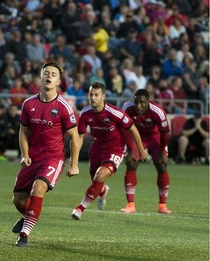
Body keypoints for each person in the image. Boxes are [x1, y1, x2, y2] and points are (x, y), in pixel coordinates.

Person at [12, 61, 80, 247]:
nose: (49, 76)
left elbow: (75, 136)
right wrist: (25, 154)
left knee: (38, 188)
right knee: (18, 200)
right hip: (33, 157)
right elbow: (23, 131)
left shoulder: (64, 107)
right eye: (46, 73)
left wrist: (74, 163)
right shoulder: (28, 104)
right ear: (40, 77)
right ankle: (28, 217)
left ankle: (24, 235)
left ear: (58, 81)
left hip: (53, 158)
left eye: (53, 74)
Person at [71, 81, 147, 220]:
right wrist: (74, 162)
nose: (93, 98)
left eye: (96, 95)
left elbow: (133, 128)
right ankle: (103, 190)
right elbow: (79, 136)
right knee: (96, 180)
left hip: (115, 149)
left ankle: (80, 208)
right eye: (91, 95)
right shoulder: (85, 113)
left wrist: (140, 150)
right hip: (96, 148)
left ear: (103, 96)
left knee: (99, 176)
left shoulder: (114, 113)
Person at [121, 89, 171, 214]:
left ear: (148, 101)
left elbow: (164, 133)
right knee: (131, 164)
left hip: (155, 137)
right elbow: (125, 130)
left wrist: (161, 153)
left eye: (142, 103)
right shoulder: (127, 107)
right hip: (136, 136)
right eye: (136, 102)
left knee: (162, 166)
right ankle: (130, 205)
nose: (139, 106)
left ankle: (162, 206)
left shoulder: (158, 111)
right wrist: (131, 150)